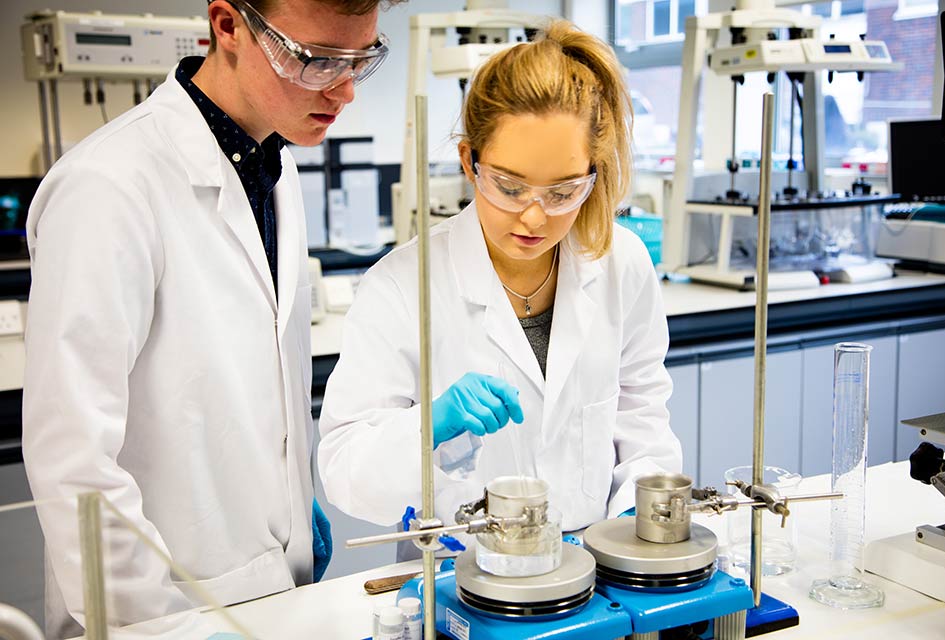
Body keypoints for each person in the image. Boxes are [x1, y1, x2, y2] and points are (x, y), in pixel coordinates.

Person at [22, 0, 403, 636]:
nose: (344, 90)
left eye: (360, 61)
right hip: (162, 613)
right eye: (316, 61)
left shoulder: (271, 168)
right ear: (227, 26)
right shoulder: (106, 188)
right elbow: (74, 463)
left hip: (271, 592)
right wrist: (149, 623)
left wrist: (287, 502)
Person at [317, 20, 682, 536]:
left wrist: (634, 512)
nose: (533, 218)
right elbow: (343, 471)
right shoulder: (402, 286)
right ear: (470, 161)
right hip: (463, 580)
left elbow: (643, 419)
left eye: (561, 193)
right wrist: (430, 429)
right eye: (509, 187)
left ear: (593, 177)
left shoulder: (623, 263)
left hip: (594, 573)